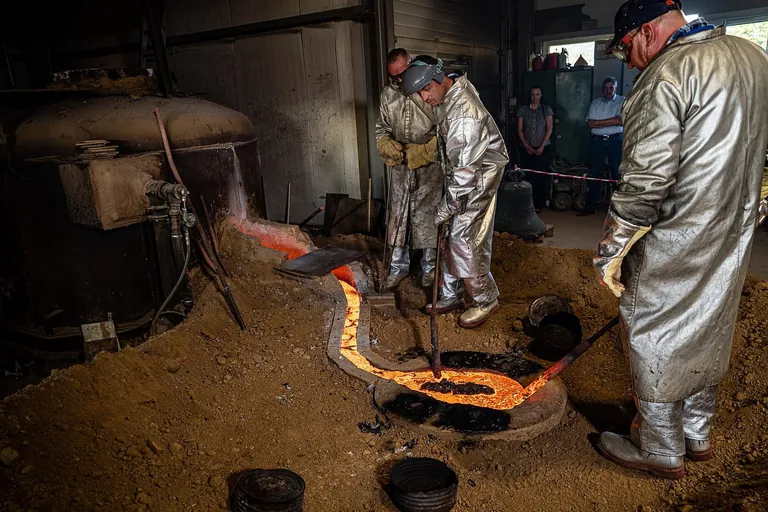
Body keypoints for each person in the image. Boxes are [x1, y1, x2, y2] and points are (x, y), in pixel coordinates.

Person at [593, 0, 768, 479]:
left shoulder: (666, 75)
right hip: (734, 226)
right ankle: (696, 432)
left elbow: (645, 180)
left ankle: (659, 447)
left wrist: (613, 249)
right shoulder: (752, 57)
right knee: (710, 319)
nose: (629, 62)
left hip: (677, 232)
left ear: (646, 31)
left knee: (653, 328)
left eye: (626, 48)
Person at [401, 57, 509, 329]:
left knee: (463, 237)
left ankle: (485, 299)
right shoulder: (452, 90)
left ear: (438, 79)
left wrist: (447, 206)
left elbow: (465, 172)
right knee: (449, 233)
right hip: (462, 173)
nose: (425, 98)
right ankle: (452, 294)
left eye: (426, 89)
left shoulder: (465, 114)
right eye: (420, 93)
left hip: (477, 178)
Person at [375, 48, 443, 289]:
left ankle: (430, 268)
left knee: (428, 217)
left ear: (411, 64)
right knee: (398, 218)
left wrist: (424, 152)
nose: (398, 80)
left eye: (402, 75)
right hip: (401, 166)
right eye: (393, 77)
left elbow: (445, 131)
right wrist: (385, 143)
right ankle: (397, 267)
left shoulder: (428, 90)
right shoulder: (388, 95)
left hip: (430, 167)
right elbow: (382, 127)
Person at [581, 77, 626, 216]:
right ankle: (590, 207)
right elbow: (590, 124)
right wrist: (613, 121)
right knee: (595, 173)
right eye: (606, 88)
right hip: (597, 141)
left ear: (615, 88)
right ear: (602, 89)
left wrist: (599, 122)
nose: (608, 91)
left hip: (615, 141)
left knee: (616, 173)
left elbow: (621, 121)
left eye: (611, 88)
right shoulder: (595, 103)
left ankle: (618, 210)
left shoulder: (622, 101)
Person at [516, 86, 553, 211]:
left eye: (537, 94)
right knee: (527, 176)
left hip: (542, 147)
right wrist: (526, 145)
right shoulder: (523, 110)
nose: (535, 97)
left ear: (541, 95)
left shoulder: (546, 110)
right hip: (526, 148)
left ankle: (538, 204)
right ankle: (526, 204)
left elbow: (549, 129)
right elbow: (520, 130)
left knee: (540, 177)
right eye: (533, 94)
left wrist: (541, 146)